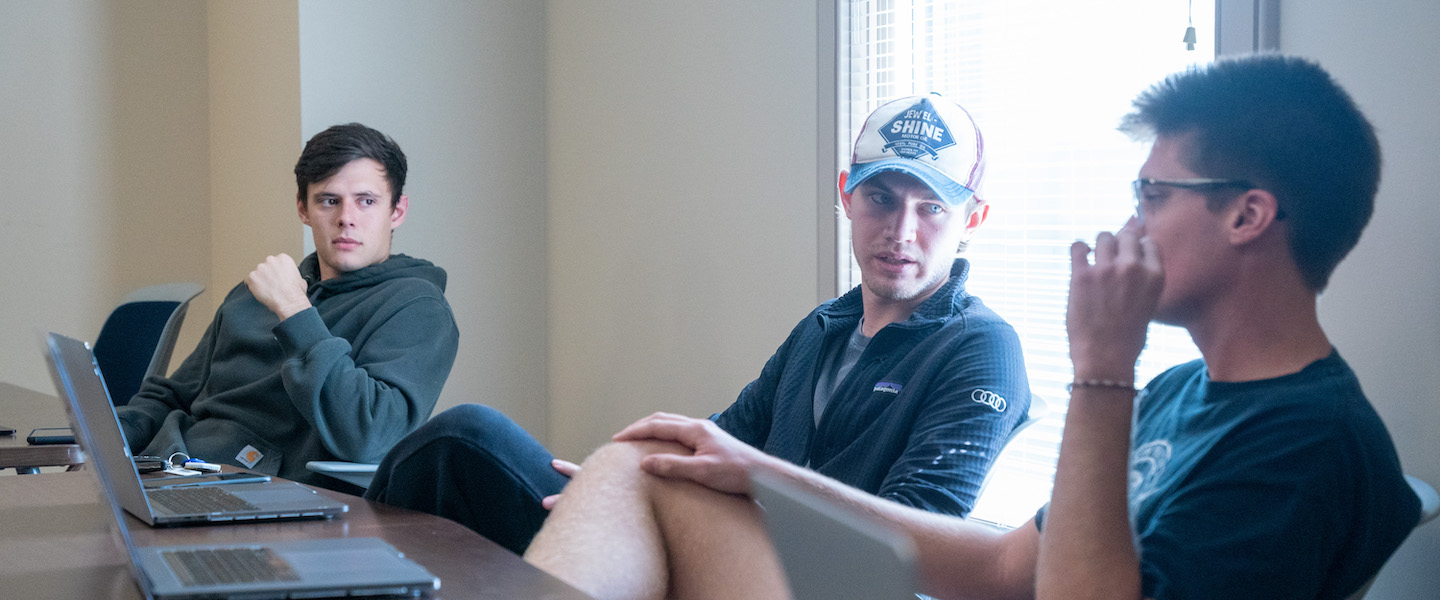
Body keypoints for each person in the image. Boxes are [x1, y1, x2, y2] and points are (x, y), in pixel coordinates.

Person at [522, 54, 1422, 600]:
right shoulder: (1187, 393)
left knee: (640, 475)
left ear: (1247, 215)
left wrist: (1103, 368)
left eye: (1153, 193)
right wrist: (749, 467)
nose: (1133, 221)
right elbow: (1002, 572)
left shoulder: (1307, 444)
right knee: (647, 462)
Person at [364, 93, 1031, 554]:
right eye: (882, 199)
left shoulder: (981, 347)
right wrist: (615, 488)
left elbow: (913, 536)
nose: (902, 231)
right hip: (708, 548)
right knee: (454, 452)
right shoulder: (824, 328)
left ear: (972, 220)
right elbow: (717, 444)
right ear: (847, 196)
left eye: (931, 209)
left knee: (467, 437)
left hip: (773, 577)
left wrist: (713, 499)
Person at [117, 123, 461, 490]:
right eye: (329, 200)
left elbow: (369, 436)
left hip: (264, 497)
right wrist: (102, 440)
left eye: (367, 201)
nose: (347, 217)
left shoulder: (417, 308)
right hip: (169, 469)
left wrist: (295, 311)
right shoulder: (258, 293)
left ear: (397, 211)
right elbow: (173, 395)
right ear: (303, 208)